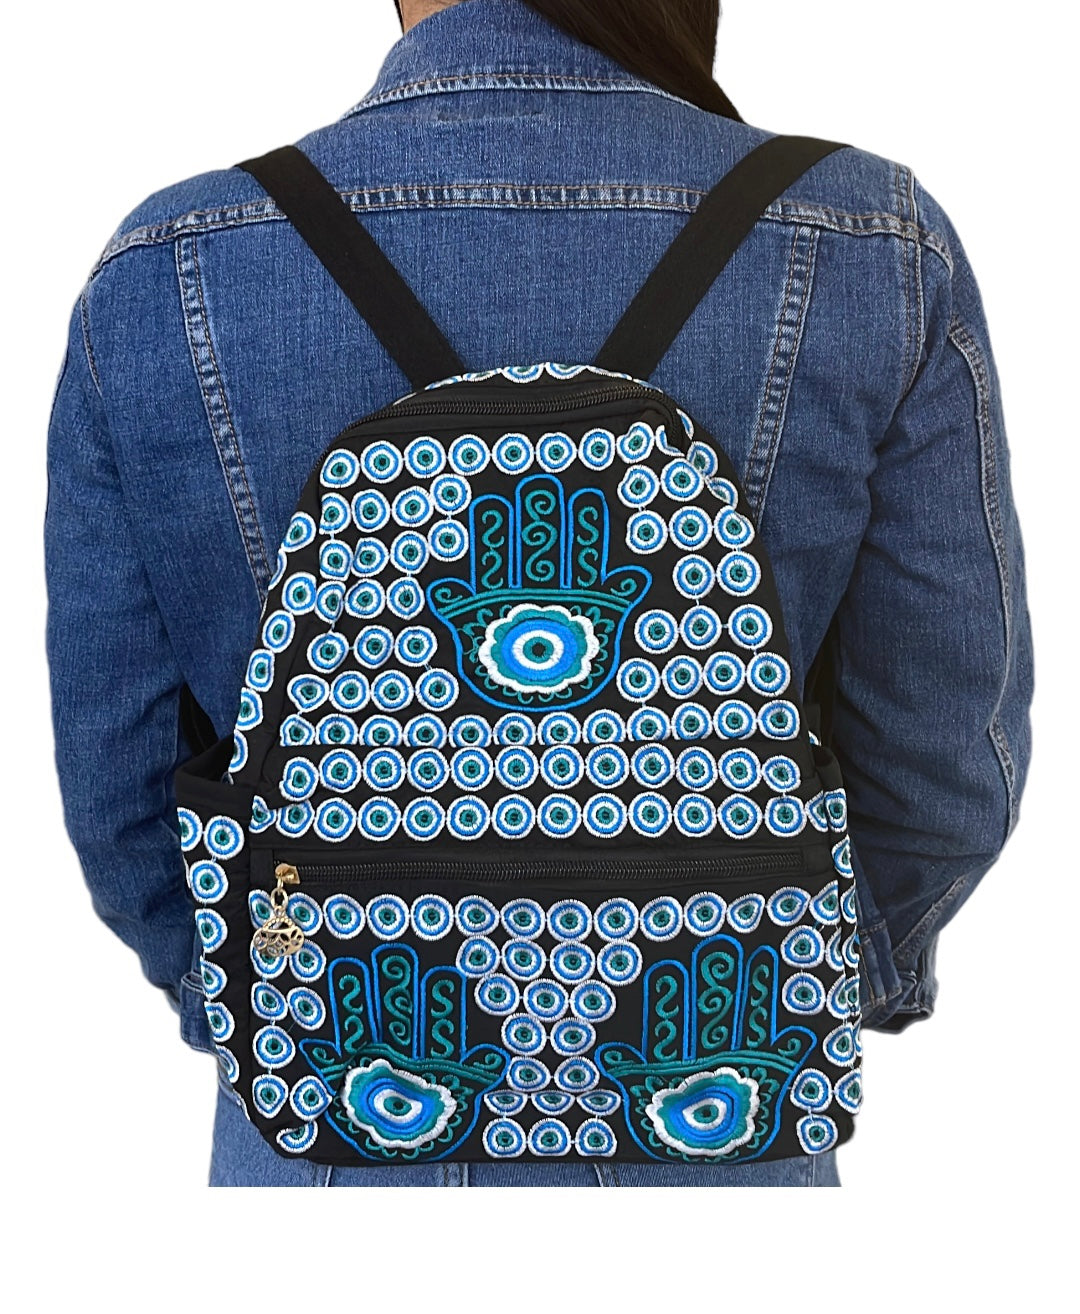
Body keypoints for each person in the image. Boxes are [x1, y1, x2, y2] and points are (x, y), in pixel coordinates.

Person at [44, 0, 1033, 1187]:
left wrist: (267, 1006)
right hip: (716, 1107)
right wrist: (813, 975)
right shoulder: (871, 239)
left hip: (328, 1121)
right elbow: (946, 759)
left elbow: (119, 776)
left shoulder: (165, 265)